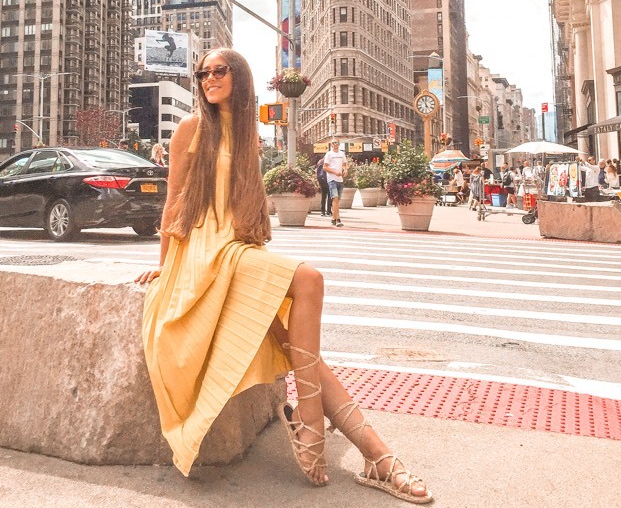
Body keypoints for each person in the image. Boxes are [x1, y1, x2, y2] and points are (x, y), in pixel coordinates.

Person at [134, 49, 432, 503]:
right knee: (308, 279)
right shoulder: (193, 129)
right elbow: (174, 198)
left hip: (236, 251)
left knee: (298, 348)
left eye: (220, 70)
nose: (209, 78)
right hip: (200, 250)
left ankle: (378, 457)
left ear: (240, 77)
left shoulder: (248, 134)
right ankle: (313, 425)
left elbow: (244, 206)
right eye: (203, 73)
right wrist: (164, 262)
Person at [324, 139, 348, 228]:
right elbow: (325, 167)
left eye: (337, 143)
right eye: (334, 143)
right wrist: (335, 172)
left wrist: (345, 170)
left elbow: (345, 164)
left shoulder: (342, 154)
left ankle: (333, 218)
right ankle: (338, 219)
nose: (335, 144)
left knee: (337, 201)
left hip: (340, 180)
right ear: (331, 144)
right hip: (332, 179)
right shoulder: (329, 154)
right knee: (335, 199)